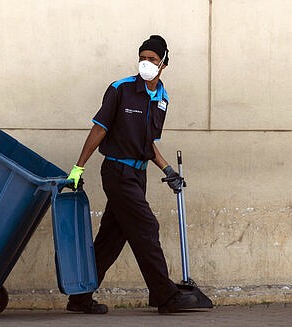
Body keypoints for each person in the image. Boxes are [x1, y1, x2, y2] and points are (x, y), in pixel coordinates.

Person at [66, 35, 198, 314]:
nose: (145, 63)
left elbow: (148, 143)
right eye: (142, 57)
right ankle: (165, 295)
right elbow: (99, 128)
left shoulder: (162, 99)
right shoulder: (120, 89)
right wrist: (78, 167)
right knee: (147, 227)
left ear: (163, 64)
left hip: (138, 176)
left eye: (151, 59)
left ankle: (80, 296)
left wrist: (168, 170)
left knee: (112, 237)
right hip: (116, 171)